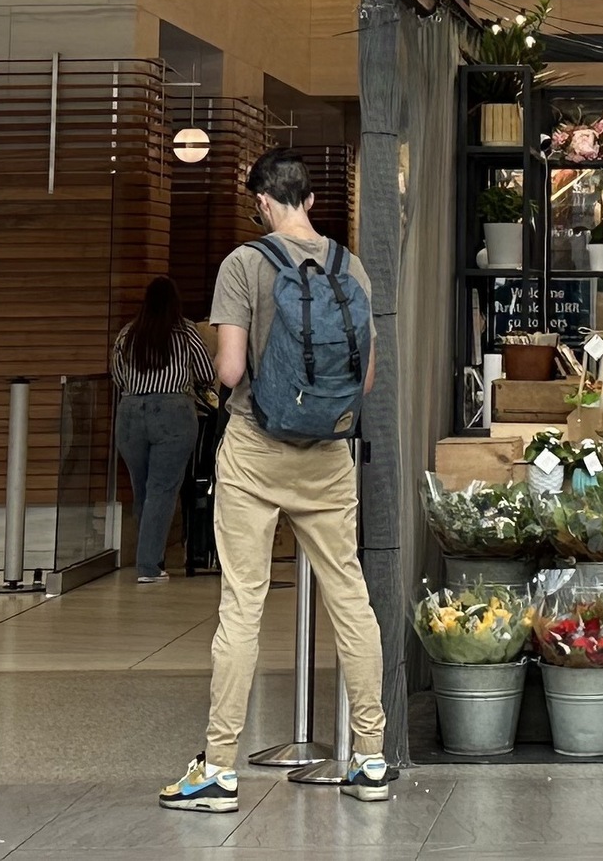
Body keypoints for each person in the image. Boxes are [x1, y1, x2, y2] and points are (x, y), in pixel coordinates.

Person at [160, 150, 394, 811]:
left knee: (243, 603)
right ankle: (371, 758)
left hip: (256, 450)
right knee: (350, 598)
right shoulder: (353, 269)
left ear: (259, 201)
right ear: (310, 200)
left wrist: (216, 358)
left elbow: (231, 371)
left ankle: (221, 767)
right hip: (328, 455)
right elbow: (367, 379)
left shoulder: (244, 263)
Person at [111, 276, 216, 585]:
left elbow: (117, 375)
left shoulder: (128, 333)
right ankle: (148, 566)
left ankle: (150, 558)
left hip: (129, 414)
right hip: (173, 413)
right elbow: (207, 373)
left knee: (142, 489)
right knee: (162, 490)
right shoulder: (185, 332)